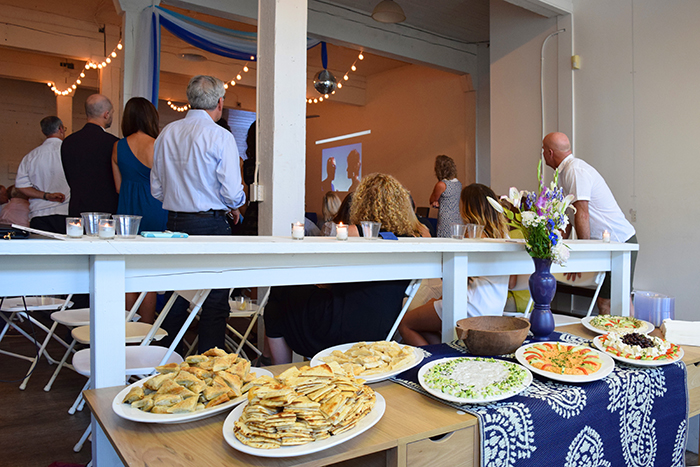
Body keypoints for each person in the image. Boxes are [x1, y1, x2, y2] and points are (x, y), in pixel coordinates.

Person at [264, 173, 425, 364]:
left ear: (361, 203)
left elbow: (325, 274)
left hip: (342, 328)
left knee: (280, 290)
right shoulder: (412, 241)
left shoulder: (355, 233)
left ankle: (278, 367)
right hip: (383, 327)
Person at [151, 75, 245, 353]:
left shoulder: (166, 133)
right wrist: (234, 204)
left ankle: (167, 362)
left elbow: (156, 189)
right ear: (220, 103)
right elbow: (232, 192)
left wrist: (181, 198)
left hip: (175, 224)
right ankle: (210, 365)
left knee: (176, 297)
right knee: (215, 300)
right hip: (212, 226)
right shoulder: (221, 136)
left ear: (189, 100)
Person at [399, 183, 511, 346]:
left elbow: (456, 278)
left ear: (468, 208)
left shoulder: (473, 236)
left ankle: (434, 359)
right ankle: (442, 354)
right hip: (495, 308)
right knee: (425, 324)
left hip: (468, 306)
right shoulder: (504, 237)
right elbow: (512, 282)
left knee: (405, 324)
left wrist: (439, 300)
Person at [542, 132, 637, 315]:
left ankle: (622, 333)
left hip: (620, 243)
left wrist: (581, 257)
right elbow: (568, 219)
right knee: (616, 300)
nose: (543, 154)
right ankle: (625, 332)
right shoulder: (564, 173)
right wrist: (559, 250)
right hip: (609, 245)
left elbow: (582, 214)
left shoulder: (575, 171)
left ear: (549, 152)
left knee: (610, 302)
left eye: (543, 150)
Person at [112, 97, 166, 323]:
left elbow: (118, 187)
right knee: (148, 275)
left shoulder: (118, 146)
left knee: (128, 274)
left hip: (126, 213)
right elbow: (166, 183)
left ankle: (128, 330)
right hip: (154, 208)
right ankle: (146, 329)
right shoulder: (156, 145)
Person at [61, 94, 119, 217]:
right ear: (106, 114)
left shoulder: (69, 142)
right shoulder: (113, 143)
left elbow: (70, 177)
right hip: (106, 211)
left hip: (77, 209)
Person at [15, 116, 70, 233]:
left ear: (43, 131)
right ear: (61, 129)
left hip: (39, 213)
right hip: (66, 211)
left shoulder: (31, 156)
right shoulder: (71, 152)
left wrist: (45, 195)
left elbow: (21, 186)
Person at [429, 155, 462, 238]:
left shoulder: (442, 185)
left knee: (444, 240)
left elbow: (432, 199)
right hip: (457, 217)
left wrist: (436, 202)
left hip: (446, 219)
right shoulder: (458, 184)